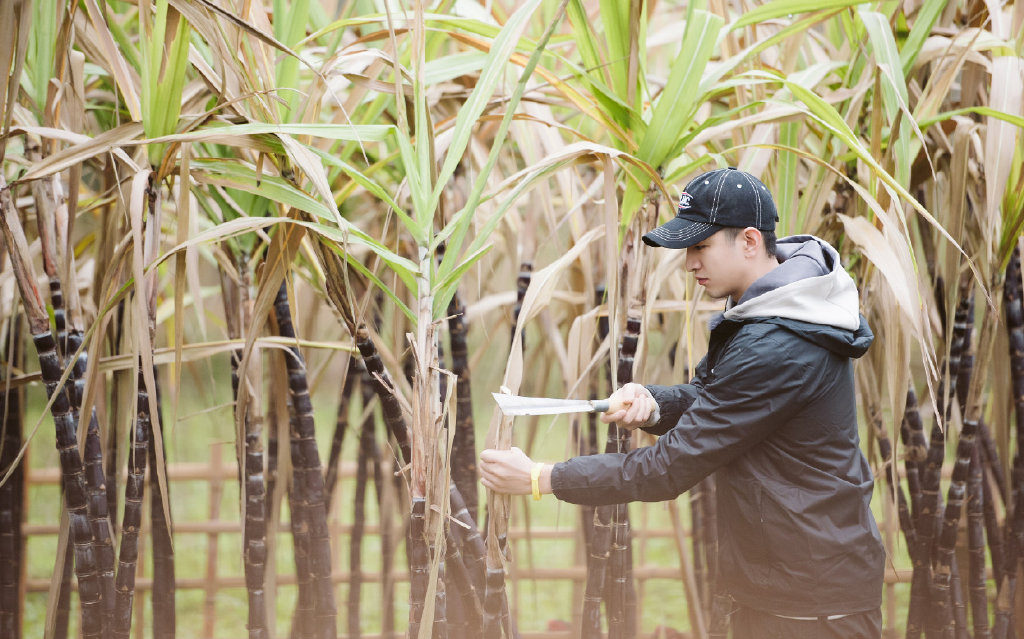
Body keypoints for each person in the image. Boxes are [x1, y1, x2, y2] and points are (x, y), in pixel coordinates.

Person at [478, 166, 885, 638]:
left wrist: (541, 478)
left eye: (700, 246)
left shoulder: (779, 342)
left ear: (749, 241)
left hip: (811, 602)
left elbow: (668, 468)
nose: (690, 263)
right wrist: (653, 404)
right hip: (792, 584)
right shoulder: (771, 315)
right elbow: (726, 401)